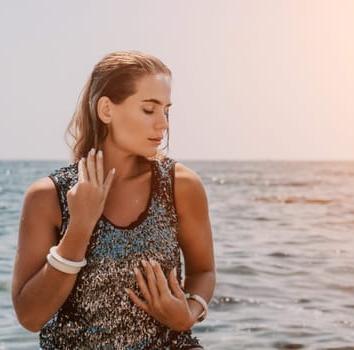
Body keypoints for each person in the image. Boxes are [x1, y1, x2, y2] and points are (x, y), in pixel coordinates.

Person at [11, 50, 216, 349]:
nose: (163, 124)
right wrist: (80, 225)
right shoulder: (48, 197)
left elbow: (204, 271)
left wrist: (189, 312)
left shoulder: (180, 186)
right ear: (106, 110)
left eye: (166, 110)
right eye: (149, 109)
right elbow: (30, 317)